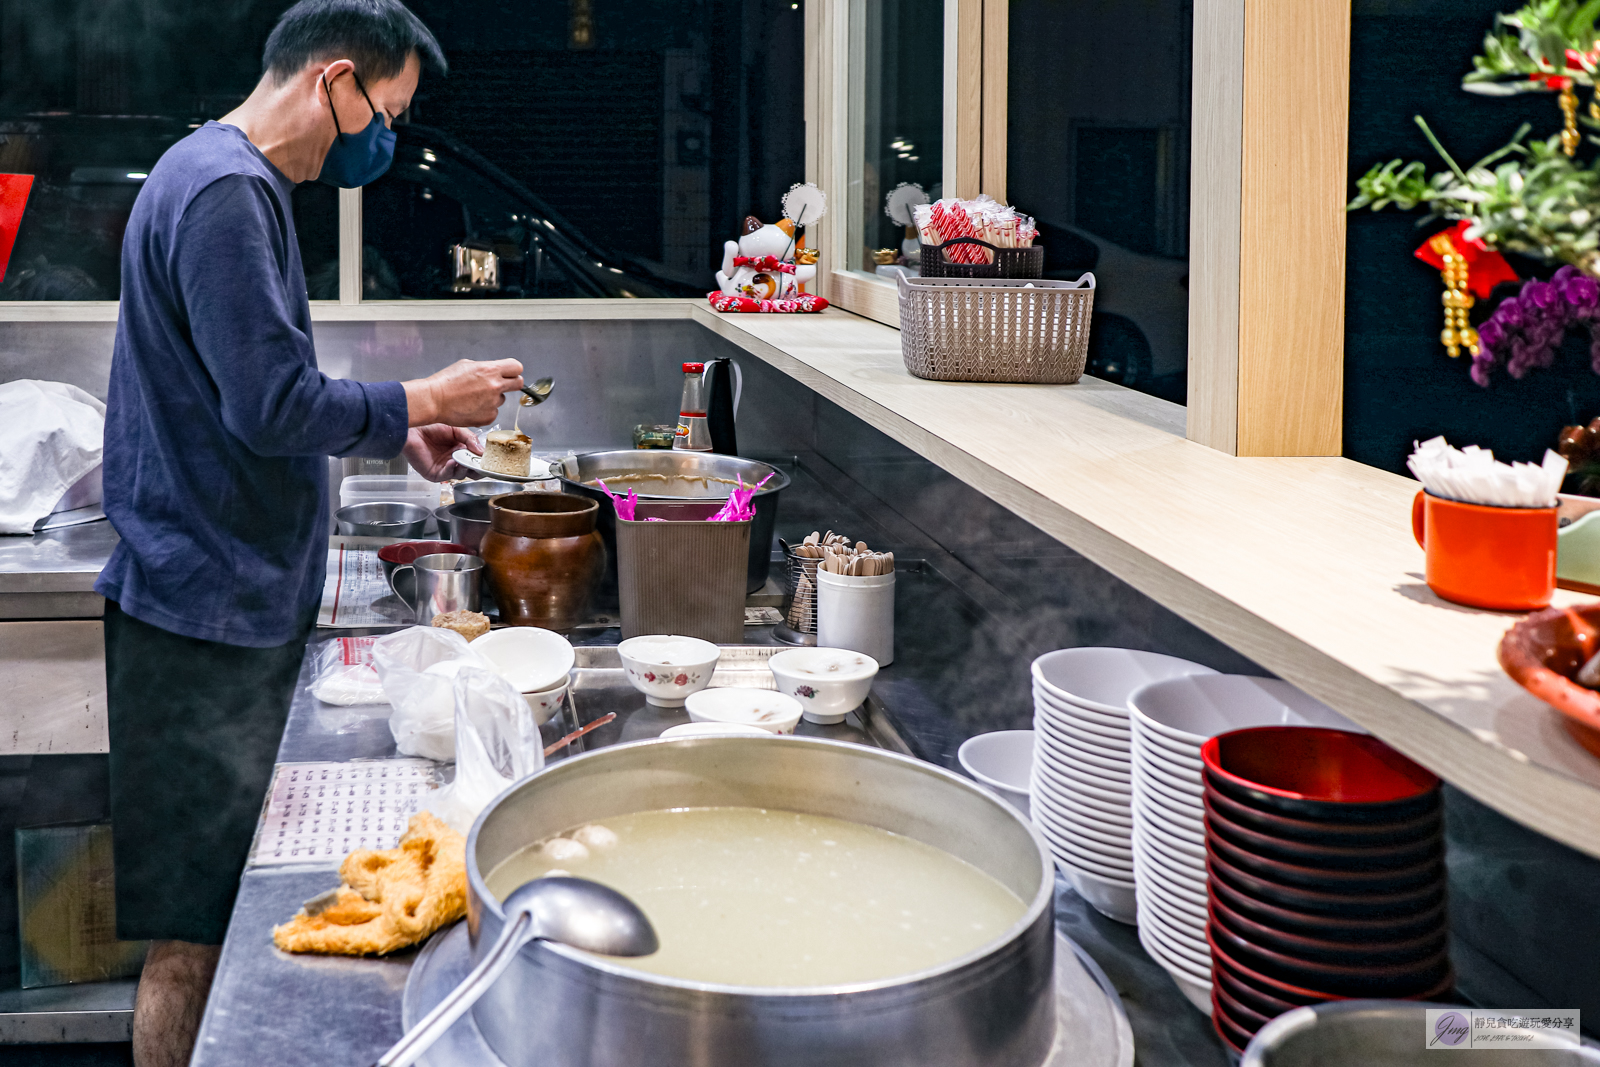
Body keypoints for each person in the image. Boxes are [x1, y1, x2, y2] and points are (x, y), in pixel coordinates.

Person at [93, 3, 516, 1065]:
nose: (387, 139)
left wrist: (401, 424)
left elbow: (267, 390)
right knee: (193, 939)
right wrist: (428, 392)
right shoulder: (226, 194)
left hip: (218, 598)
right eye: (387, 111)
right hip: (199, 616)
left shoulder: (228, 177)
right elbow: (270, 406)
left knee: (215, 925)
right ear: (334, 81)